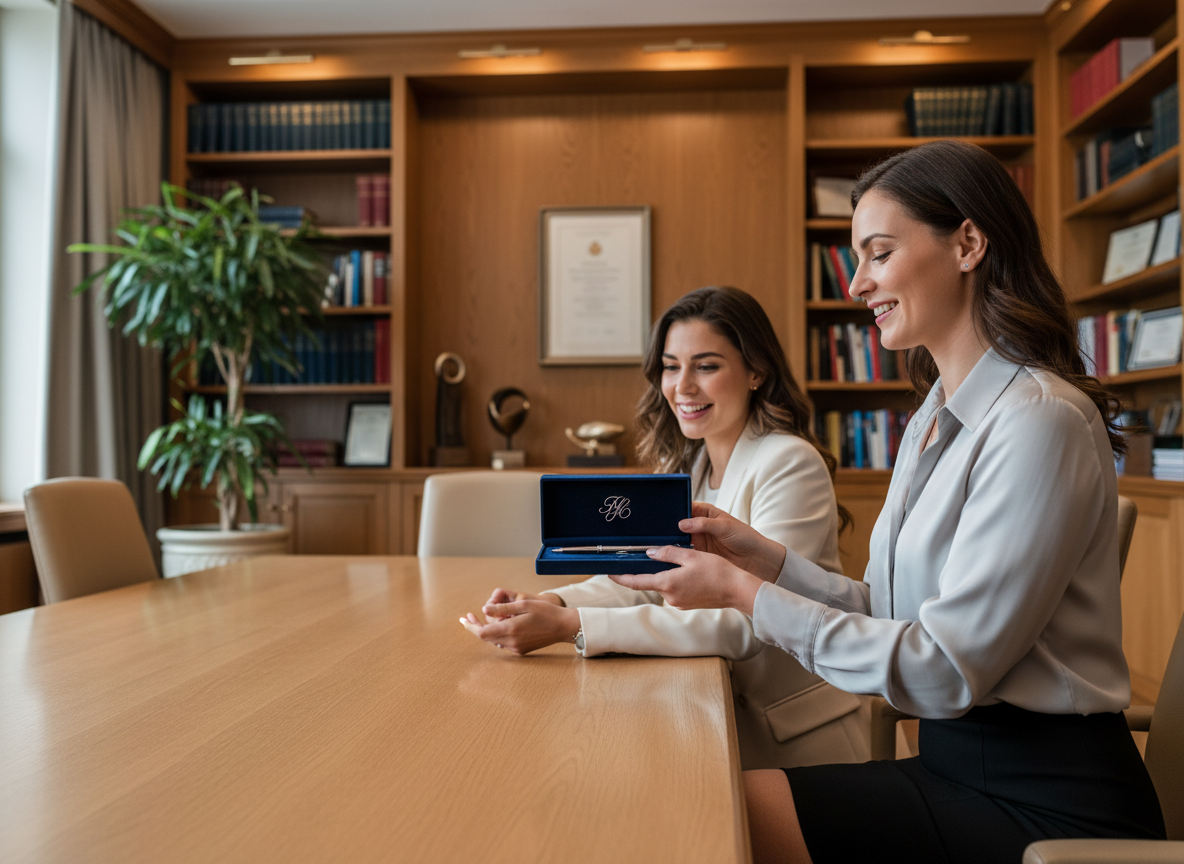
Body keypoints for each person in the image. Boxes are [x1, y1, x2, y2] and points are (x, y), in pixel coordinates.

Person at [611, 141, 1166, 864]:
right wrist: (769, 562)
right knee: (700, 802)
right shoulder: (936, 411)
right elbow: (892, 609)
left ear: (968, 243)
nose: (856, 284)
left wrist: (747, 596)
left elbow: (943, 667)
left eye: (877, 254)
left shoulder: (1040, 420)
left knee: (710, 815)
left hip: (1047, 798)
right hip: (953, 765)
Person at [461, 286, 870, 769]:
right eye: (671, 366)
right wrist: (553, 603)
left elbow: (749, 623)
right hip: (706, 720)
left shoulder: (788, 461)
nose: (683, 386)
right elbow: (646, 579)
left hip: (796, 742)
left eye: (707, 365)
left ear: (756, 371)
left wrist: (572, 627)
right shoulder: (688, 463)